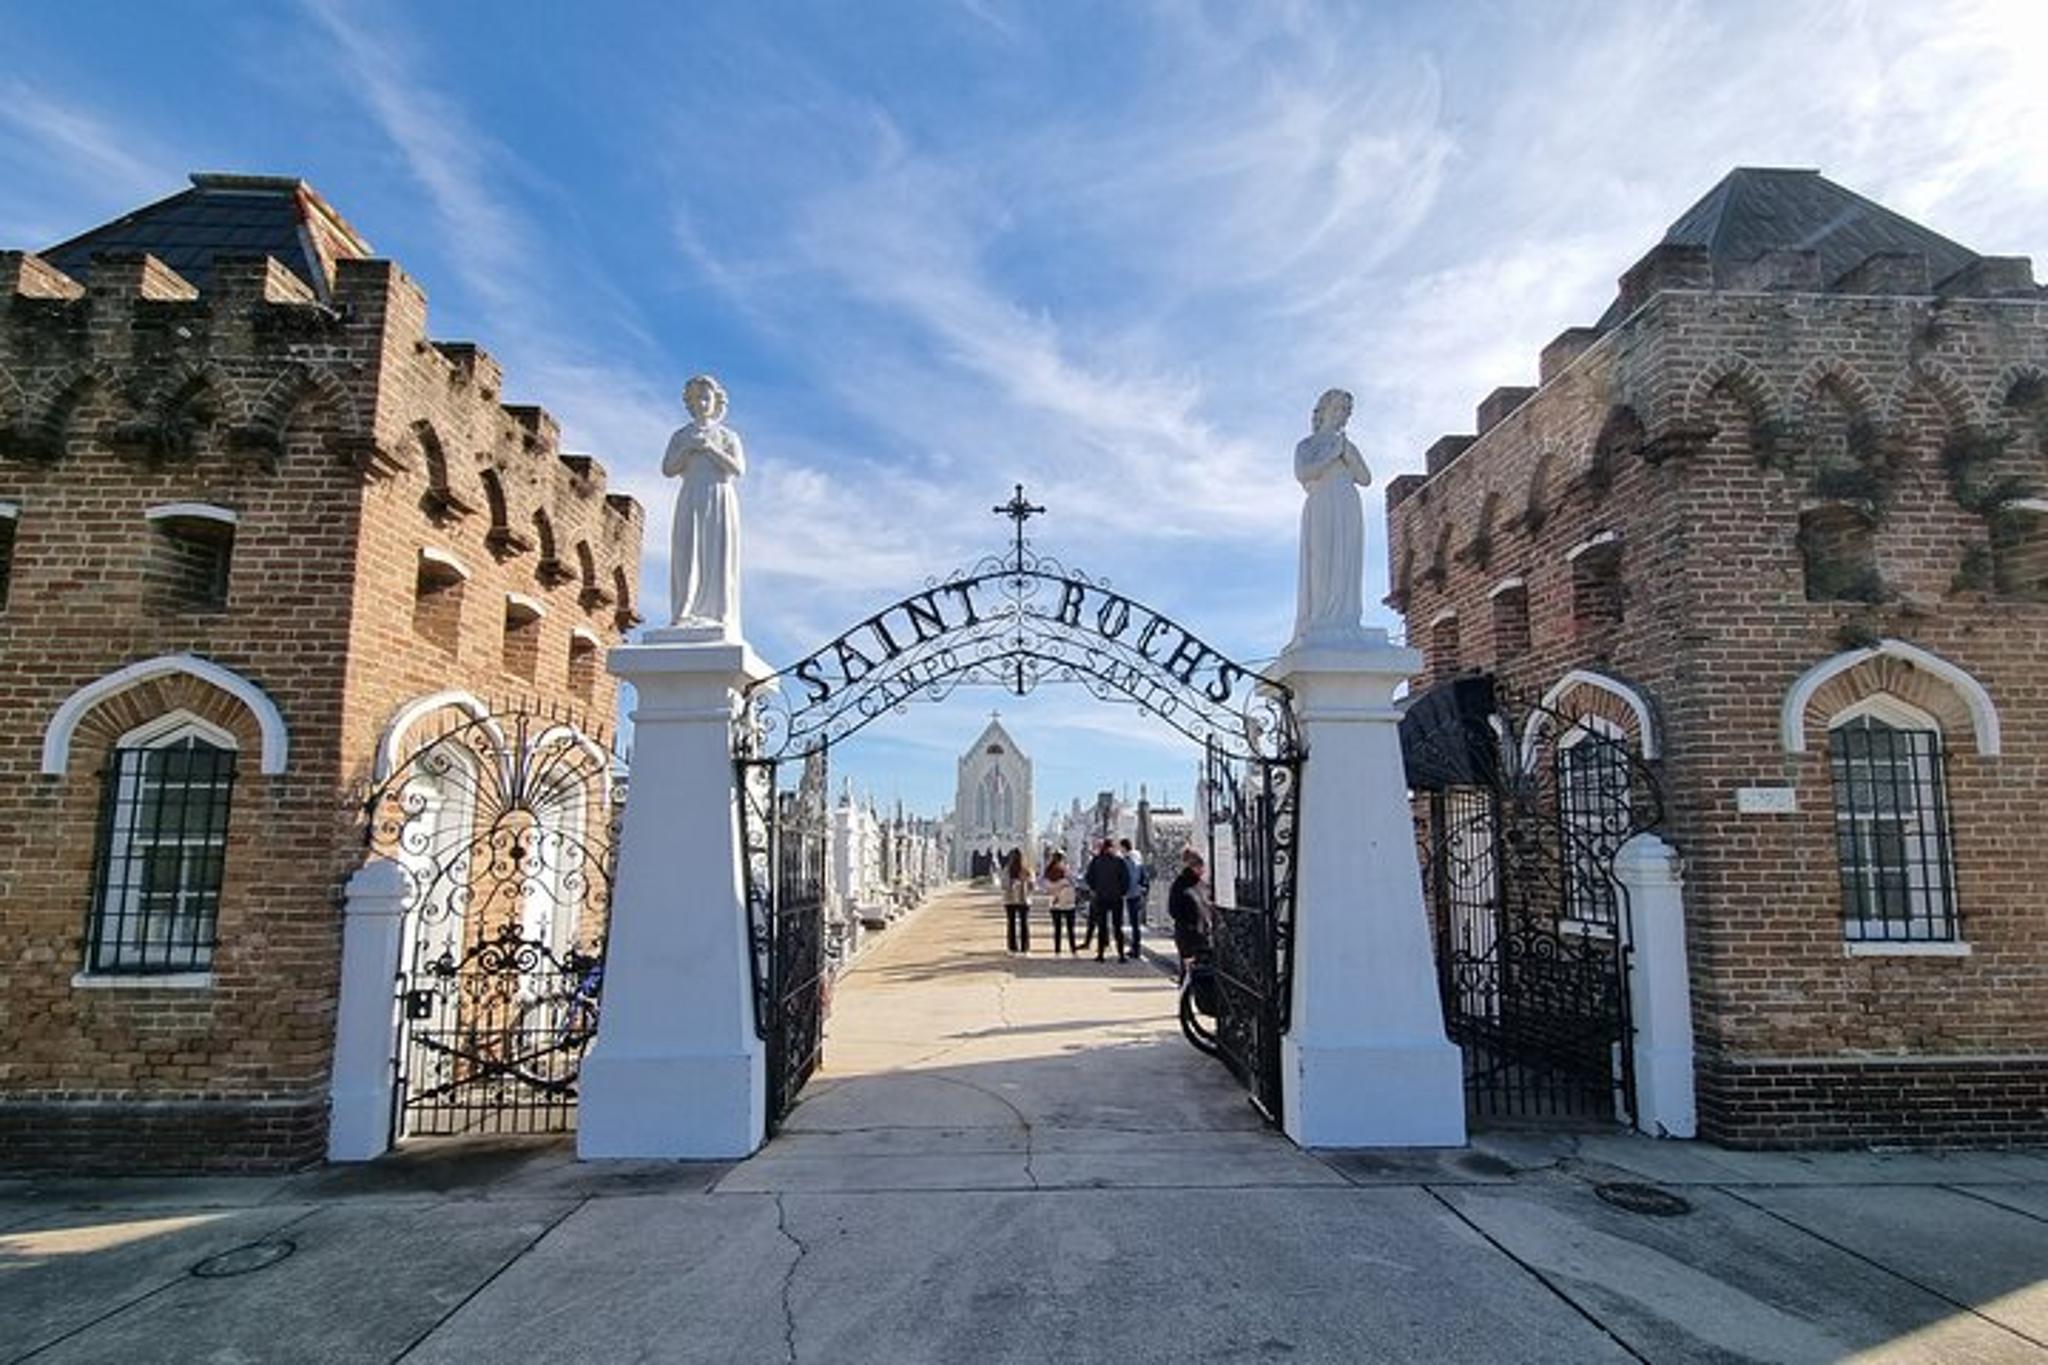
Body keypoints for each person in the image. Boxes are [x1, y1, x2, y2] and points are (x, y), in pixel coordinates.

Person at [1168, 849, 1215, 981]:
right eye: (1200, 867)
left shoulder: (1202, 885)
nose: (1203, 870)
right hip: (1188, 935)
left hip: (1202, 933)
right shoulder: (1181, 885)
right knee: (1189, 973)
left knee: (1201, 973)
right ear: (1193, 866)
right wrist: (1190, 922)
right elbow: (1173, 910)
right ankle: (1185, 993)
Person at [1084, 839, 1131, 962]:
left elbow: (1089, 878)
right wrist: (1121, 892)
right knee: (1117, 927)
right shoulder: (1119, 861)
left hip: (1101, 897)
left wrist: (1096, 888)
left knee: (1102, 926)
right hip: (1116, 898)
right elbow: (1126, 880)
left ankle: (1101, 955)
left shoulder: (1096, 861)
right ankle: (1121, 955)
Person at [1119, 838, 1150, 960]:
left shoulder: (1127, 861)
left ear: (1124, 847)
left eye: (1121, 847)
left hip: (1132, 894)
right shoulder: (1138, 859)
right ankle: (1135, 948)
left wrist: (1123, 891)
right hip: (1138, 894)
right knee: (1135, 923)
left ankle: (1135, 949)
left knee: (1134, 923)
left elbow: (1129, 878)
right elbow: (1143, 876)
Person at [1042, 851, 1078, 954]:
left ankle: (1057, 949)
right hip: (1068, 902)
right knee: (1070, 928)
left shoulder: (1048, 871)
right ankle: (1073, 948)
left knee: (1057, 928)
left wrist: (1055, 889)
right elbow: (1074, 883)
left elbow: (1046, 887)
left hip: (1055, 902)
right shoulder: (1066, 871)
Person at [1002, 847, 1032, 953]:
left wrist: (1012, 884)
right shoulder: (1026, 869)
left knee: (1011, 924)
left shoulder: (1008, 870)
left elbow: (1003, 885)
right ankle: (1025, 947)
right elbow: (1032, 884)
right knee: (1024, 923)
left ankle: (1012, 947)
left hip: (1010, 899)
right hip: (1023, 899)